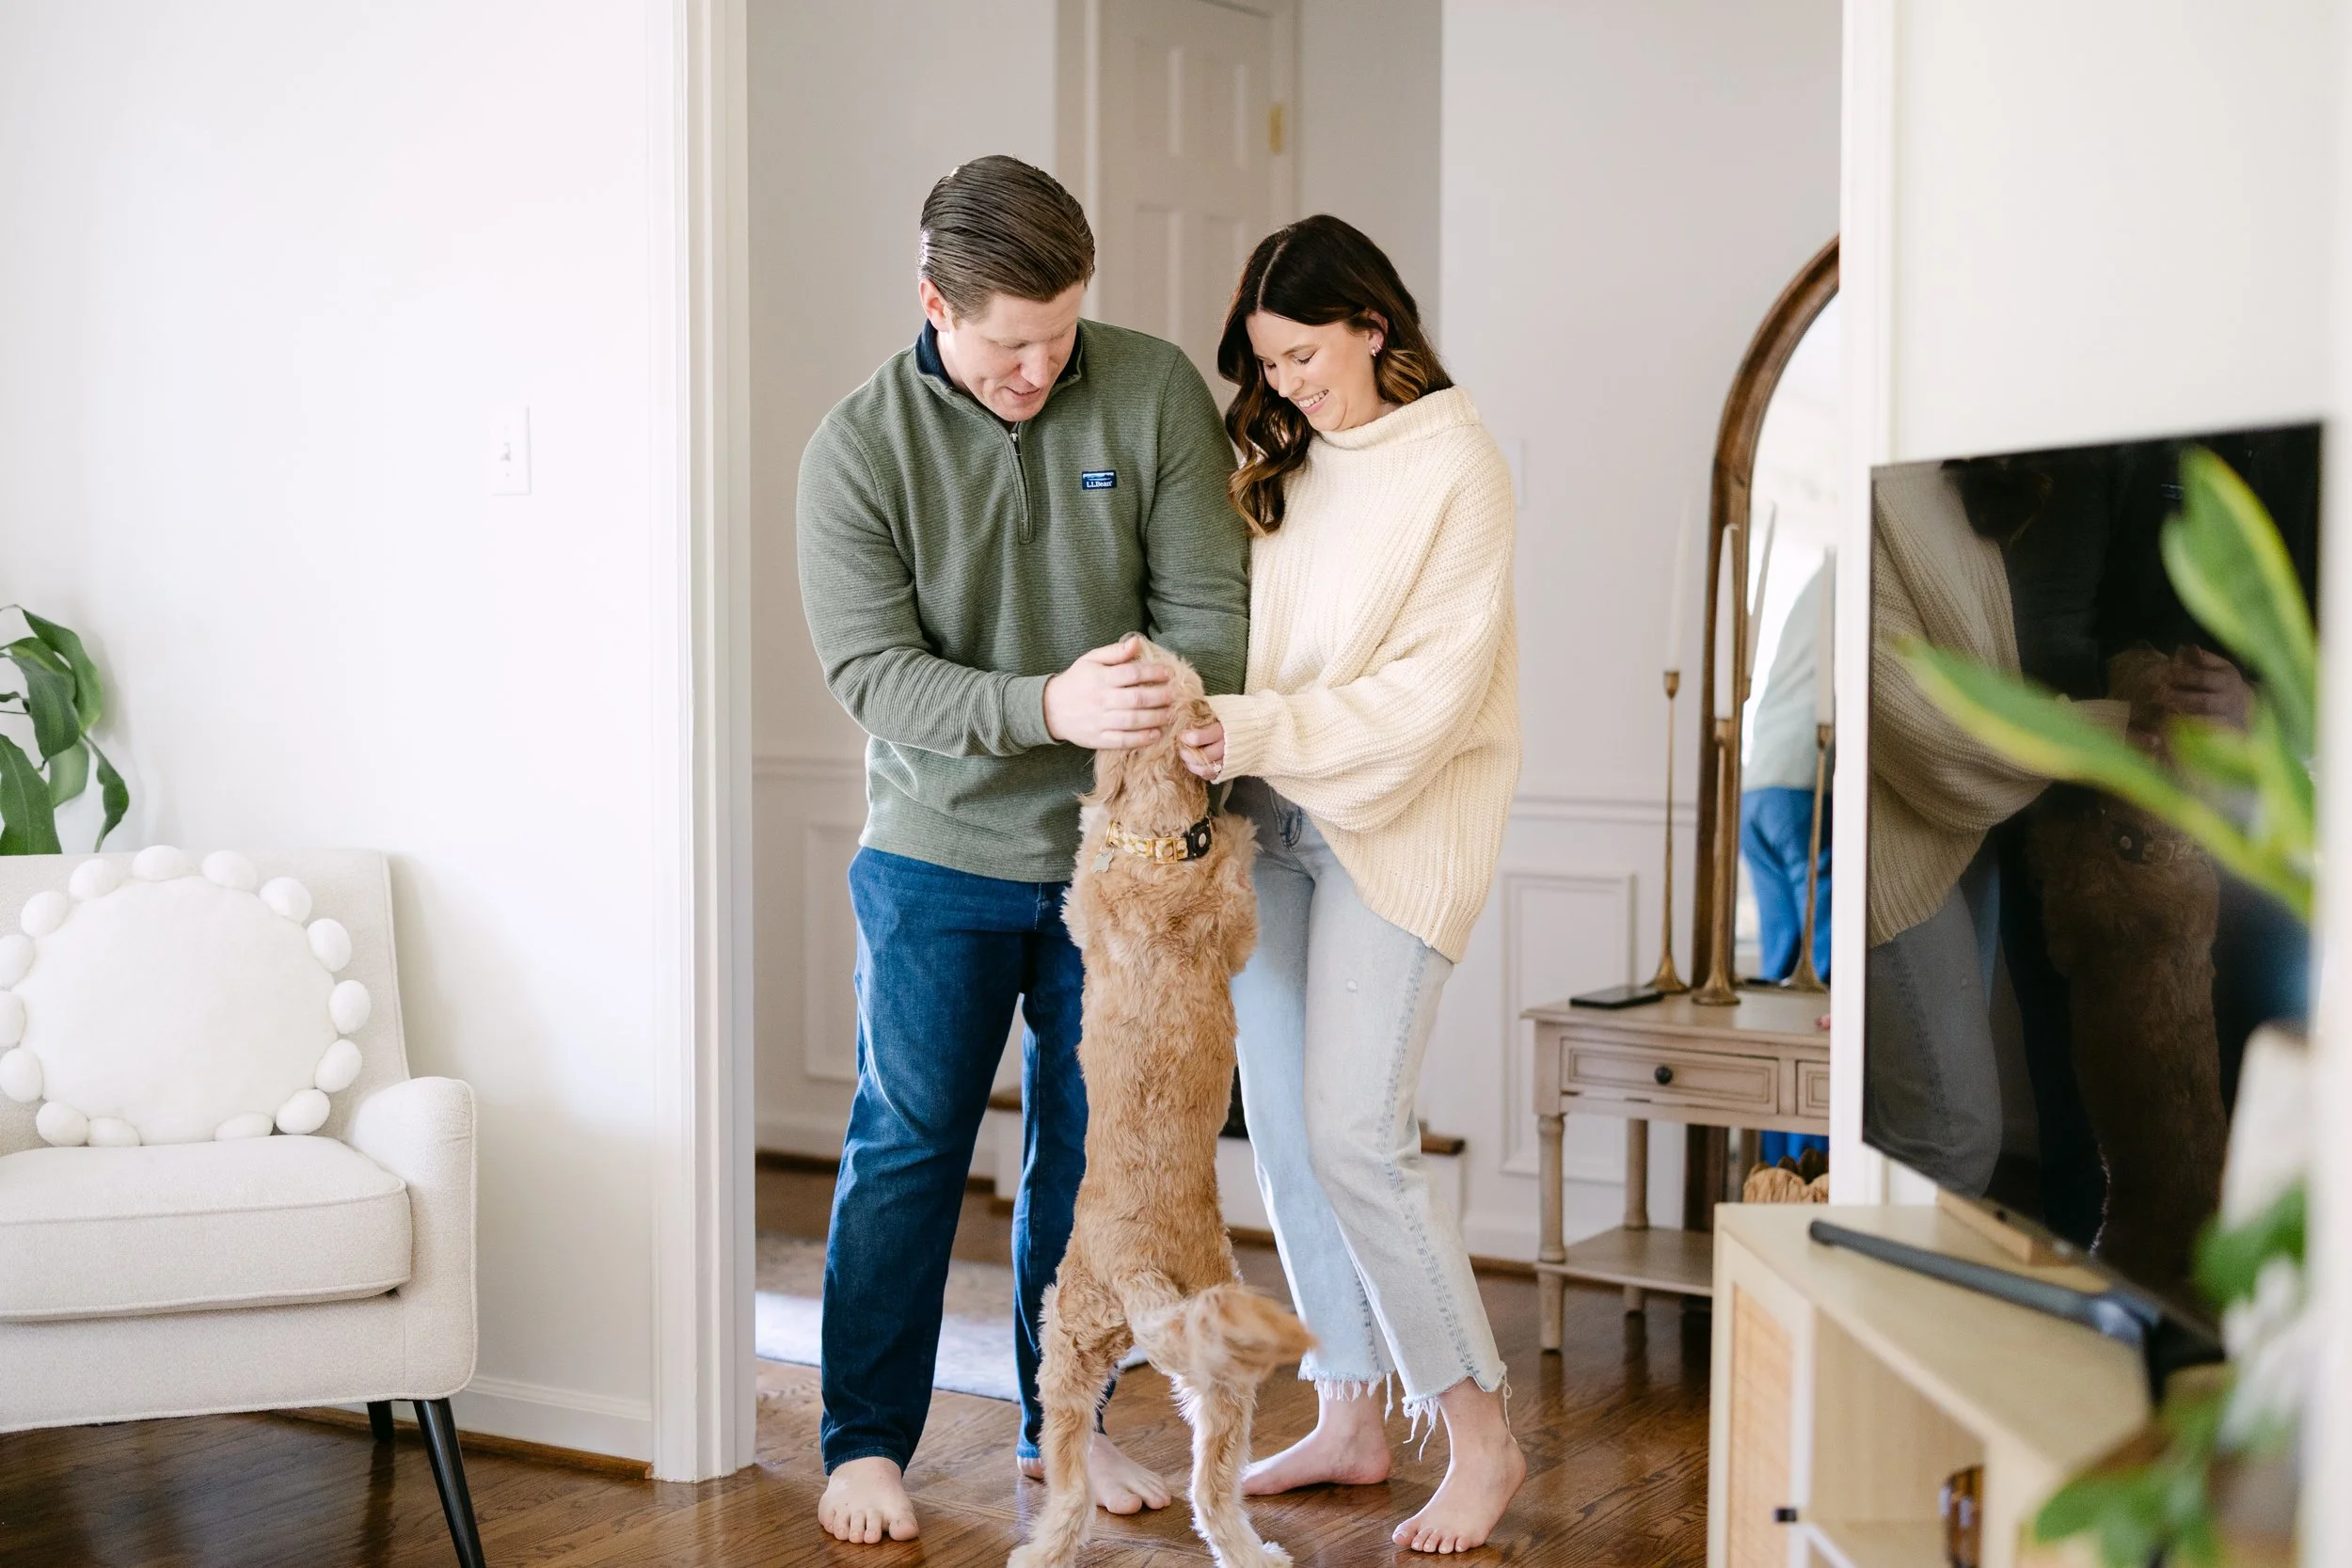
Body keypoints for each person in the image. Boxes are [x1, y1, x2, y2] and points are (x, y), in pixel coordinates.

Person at [796, 155, 1250, 1545]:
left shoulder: (1154, 386)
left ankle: (1072, 1430)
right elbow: (871, 671)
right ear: (933, 303)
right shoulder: (857, 449)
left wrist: (1159, 697)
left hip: (1119, 864)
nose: (1041, 368)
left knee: (1095, 1155)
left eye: (1061, 336)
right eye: (1009, 343)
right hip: (933, 856)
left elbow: (1213, 609)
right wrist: (1045, 702)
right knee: (909, 1144)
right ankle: (866, 1440)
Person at [1174, 214, 1524, 1555]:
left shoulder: (1460, 466)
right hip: (1276, 819)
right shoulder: (1288, 457)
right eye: (1264, 364)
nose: (1285, 385)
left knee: (1356, 1138)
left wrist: (1254, 729)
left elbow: (1429, 700)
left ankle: (1482, 1434)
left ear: (1375, 327)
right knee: (1285, 1131)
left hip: (1399, 825)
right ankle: (1350, 1409)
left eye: (1304, 355)